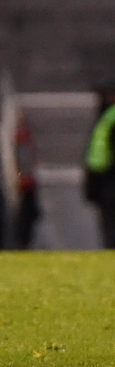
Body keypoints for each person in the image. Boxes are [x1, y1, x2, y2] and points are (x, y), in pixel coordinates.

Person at [84, 87, 115, 248]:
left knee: (110, 227)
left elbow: (97, 158)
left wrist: (93, 185)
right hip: (107, 180)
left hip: (108, 181)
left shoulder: (107, 118)